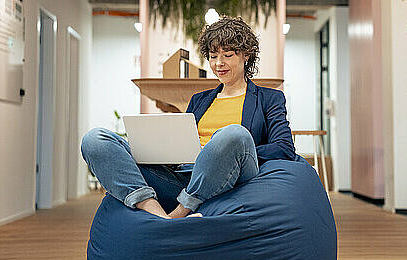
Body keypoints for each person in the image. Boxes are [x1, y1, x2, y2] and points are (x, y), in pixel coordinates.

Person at [81, 16, 300, 219]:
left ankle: (180, 213)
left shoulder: (269, 98)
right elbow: (182, 144)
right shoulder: (200, 100)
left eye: (227, 55)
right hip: (183, 177)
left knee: (233, 133)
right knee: (95, 139)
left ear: (246, 55)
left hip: (231, 178)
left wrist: (223, 151)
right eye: (213, 57)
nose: (218, 63)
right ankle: (153, 210)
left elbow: (284, 148)